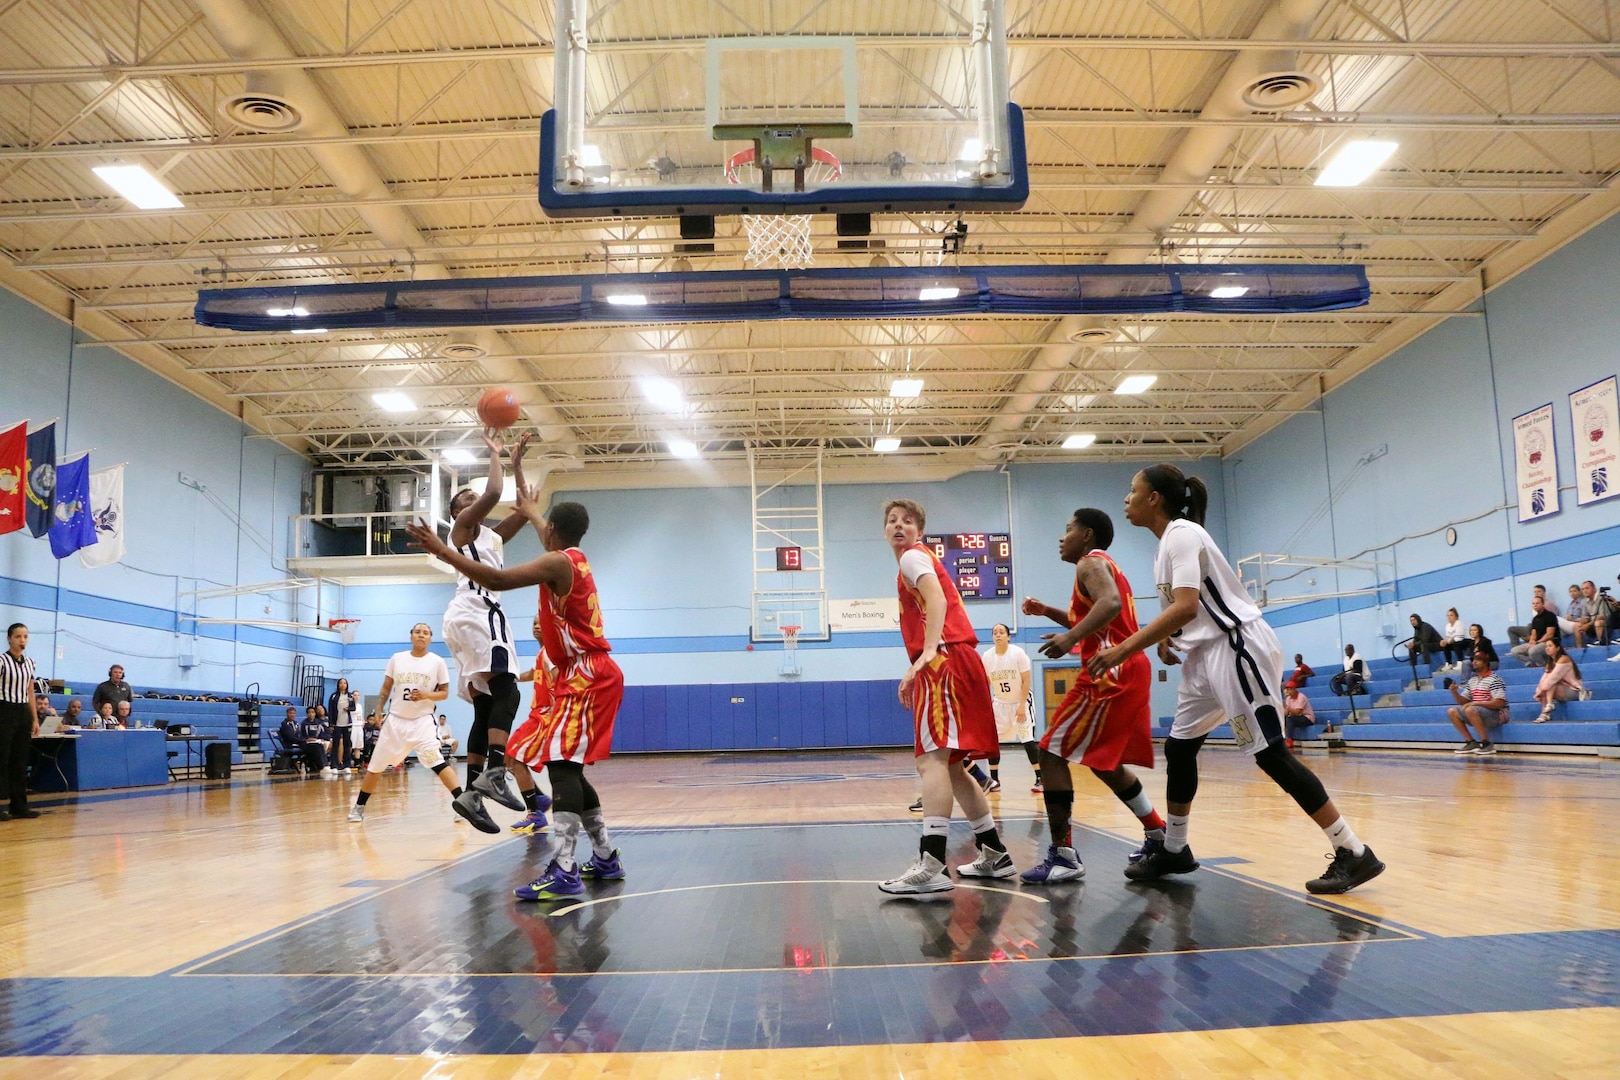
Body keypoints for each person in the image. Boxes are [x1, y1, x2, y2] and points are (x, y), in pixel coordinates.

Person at [1086, 464, 1385, 895]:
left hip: (1237, 648)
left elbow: (1188, 606)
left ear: (1154, 498)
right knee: (1180, 746)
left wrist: (1125, 647)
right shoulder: (1166, 545)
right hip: (1205, 655)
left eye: (1132, 491)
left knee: (1271, 754)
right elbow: (1188, 610)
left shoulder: (1183, 534)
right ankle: (1175, 848)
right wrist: (1169, 635)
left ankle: (1354, 851)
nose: (1126, 500)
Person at [407, 494, 625, 900]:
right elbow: (544, 529)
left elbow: (498, 580)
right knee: (569, 769)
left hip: (585, 672)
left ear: (553, 534)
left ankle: (564, 868)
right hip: (586, 672)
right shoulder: (571, 557)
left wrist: (443, 550)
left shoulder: (558, 561)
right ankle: (605, 856)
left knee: (561, 769)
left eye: (546, 529)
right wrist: (527, 502)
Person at [871, 498, 1011, 895]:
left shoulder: (912, 559)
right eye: (892, 521)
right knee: (951, 766)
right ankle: (994, 852)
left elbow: (937, 600)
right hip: (958, 658)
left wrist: (928, 654)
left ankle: (932, 864)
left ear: (920, 531)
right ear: (885, 531)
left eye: (908, 521)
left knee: (930, 761)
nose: (899, 526)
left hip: (946, 660)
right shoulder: (918, 559)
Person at [1018, 507, 1165, 885]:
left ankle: (1064, 856)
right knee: (1102, 761)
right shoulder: (1101, 567)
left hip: (1109, 672)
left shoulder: (1090, 563)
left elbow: (1110, 605)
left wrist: (1069, 639)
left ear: (1086, 535)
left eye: (1068, 529)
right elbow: (1097, 617)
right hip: (1127, 667)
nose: (1061, 537)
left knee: (1050, 752)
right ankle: (1158, 833)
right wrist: (1049, 612)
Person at [439, 430, 544, 823]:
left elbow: (522, 507)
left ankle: (471, 795)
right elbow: (494, 494)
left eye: (472, 496)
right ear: (457, 513)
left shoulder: (490, 539)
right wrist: (495, 455)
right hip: (478, 610)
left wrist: (517, 466)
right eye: (465, 498)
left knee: (485, 707)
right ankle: (496, 773)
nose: (472, 498)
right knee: (509, 693)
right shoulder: (463, 529)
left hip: (465, 617)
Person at [347, 623, 497, 831]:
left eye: (425, 633)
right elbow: (386, 687)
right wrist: (379, 708)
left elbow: (444, 693)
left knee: (437, 761)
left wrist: (427, 695)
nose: (421, 635)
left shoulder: (436, 662)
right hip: (396, 721)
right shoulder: (397, 658)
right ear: (411, 636)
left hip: (423, 721)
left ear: (430, 638)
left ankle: (463, 805)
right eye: (417, 632)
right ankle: (359, 808)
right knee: (375, 767)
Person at [979, 624, 1038, 793]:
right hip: (1000, 704)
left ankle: (1040, 778)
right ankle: (994, 781)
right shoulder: (988, 656)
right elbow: (986, 682)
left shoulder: (1017, 653)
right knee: (992, 741)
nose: (998, 635)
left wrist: (1021, 706)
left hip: (1021, 701)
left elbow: (1026, 681)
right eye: (994, 633)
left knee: (1027, 739)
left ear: (1008, 636)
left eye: (1001, 632)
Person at [0, 623, 42, 820]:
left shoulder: (30, 663)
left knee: (19, 761)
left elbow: (30, 692)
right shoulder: (1, 661)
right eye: (18, 636)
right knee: (2, 760)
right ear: (9, 639)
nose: (22, 640)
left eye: (25, 636)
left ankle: (19, 806)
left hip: (22, 712)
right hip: (4, 710)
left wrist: (34, 718)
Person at [1446, 650, 1509, 755]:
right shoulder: (1472, 680)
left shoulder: (1494, 679)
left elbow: (1500, 703)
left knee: (1471, 709)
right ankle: (1471, 742)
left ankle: (1486, 743)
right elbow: (1464, 701)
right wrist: (1454, 692)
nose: (1474, 662)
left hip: (1499, 714)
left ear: (1485, 663)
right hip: (1479, 712)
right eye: (1474, 660)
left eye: (1478, 660)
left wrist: (1476, 703)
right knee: (1452, 711)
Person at [1533, 639, 1585, 721]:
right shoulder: (1550, 663)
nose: (1547, 648)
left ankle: (1549, 706)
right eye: (1546, 646)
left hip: (1574, 691)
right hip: (1562, 690)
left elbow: (1552, 679)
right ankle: (1545, 713)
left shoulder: (1564, 659)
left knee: (1551, 683)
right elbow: (1543, 680)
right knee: (1546, 685)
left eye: (1550, 646)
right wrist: (1538, 691)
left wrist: (1540, 692)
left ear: (1557, 648)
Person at [1509, 595, 1559, 666]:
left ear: (1543, 604)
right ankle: (1531, 664)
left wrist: (1537, 642)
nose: (1535, 605)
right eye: (1533, 603)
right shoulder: (1535, 619)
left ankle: (1545, 665)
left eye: (1537, 603)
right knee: (1514, 651)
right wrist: (1531, 642)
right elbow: (1534, 634)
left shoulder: (1550, 616)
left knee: (1532, 651)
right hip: (1537, 643)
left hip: (1548, 642)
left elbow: (1549, 634)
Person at [327, 677, 361, 773]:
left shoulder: (350, 696)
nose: (343, 685)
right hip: (337, 724)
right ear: (338, 685)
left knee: (347, 744)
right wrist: (331, 724)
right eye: (341, 683)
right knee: (336, 744)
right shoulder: (333, 696)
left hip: (347, 724)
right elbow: (330, 710)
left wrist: (348, 709)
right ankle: (334, 765)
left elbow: (353, 708)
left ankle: (347, 765)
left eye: (344, 683)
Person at [278, 706, 326, 774]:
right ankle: (321, 766)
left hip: (299, 743)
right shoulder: (285, 724)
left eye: (293, 713)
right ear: (287, 714)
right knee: (316, 747)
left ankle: (323, 765)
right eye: (290, 713)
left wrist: (306, 739)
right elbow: (291, 738)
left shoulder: (296, 724)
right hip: (292, 744)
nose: (292, 715)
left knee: (319, 745)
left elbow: (300, 735)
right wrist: (304, 740)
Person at [1283, 682, 1316, 748]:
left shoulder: (1301, 697)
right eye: (1287, 689)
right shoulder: (1288, 699)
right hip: (1296, 717)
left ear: (1295, 689)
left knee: (1290, 719)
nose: (1288, 691)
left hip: (1307, 718)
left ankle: (1289, 740)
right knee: (1283, 719)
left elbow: (1297, 712)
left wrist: (1287, 707)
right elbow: (1286, 713)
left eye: (1290, 689)